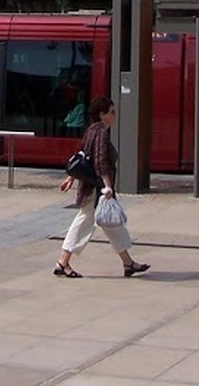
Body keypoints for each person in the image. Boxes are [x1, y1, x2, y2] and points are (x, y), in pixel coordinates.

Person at [53, 96, 149, 279]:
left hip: (92, 187)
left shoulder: (91, 131)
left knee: (111, 224)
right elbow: (99, 161)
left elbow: (81, 156)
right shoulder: (101, 133)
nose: (114, 115)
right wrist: (107, 186)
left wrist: (70, 178)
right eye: (111, 112)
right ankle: (62, 262)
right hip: (96, 189)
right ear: (102, 115)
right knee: (88, 223)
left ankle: (128, 263)